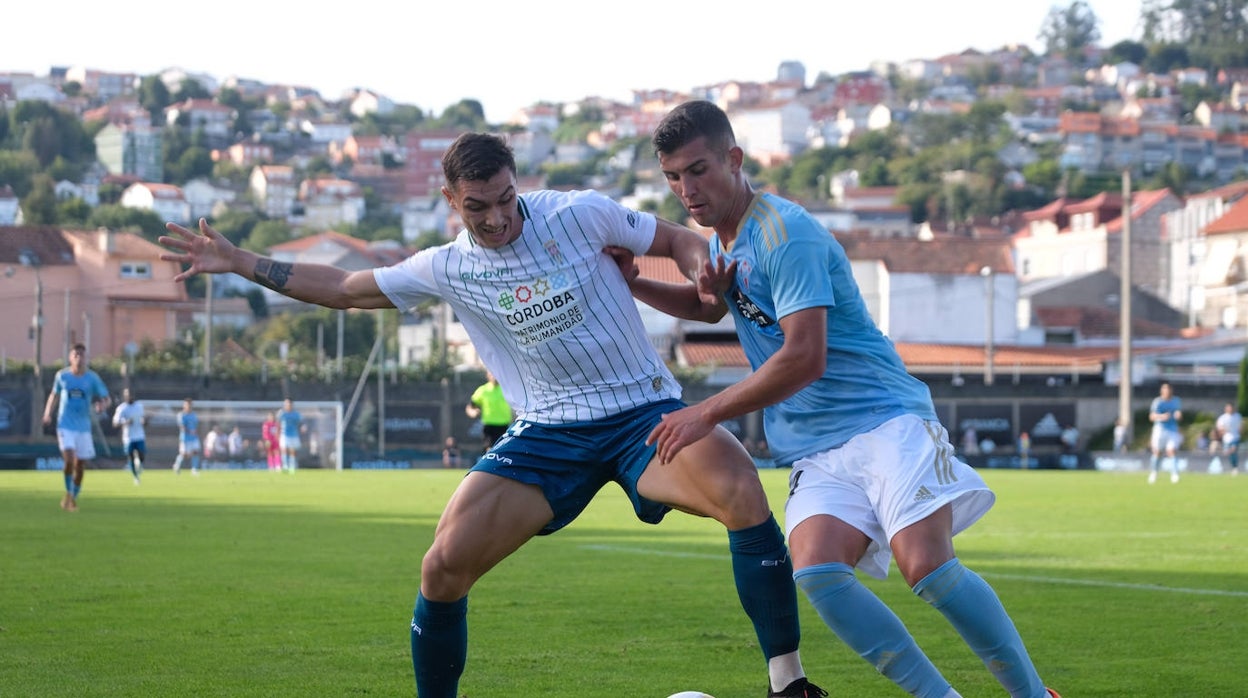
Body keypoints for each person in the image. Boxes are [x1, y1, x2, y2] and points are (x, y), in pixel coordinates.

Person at [160, 131, 824, 698]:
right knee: (442, 566)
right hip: (545, 436)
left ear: (518, 185)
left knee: (740, 489)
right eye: (479, 208)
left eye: (507, 200)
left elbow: (676, 238)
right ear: (452, 201)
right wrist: (239, 261)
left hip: (639, 414)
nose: (500, 219)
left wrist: (702, 270)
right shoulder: (446, 267)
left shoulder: (579, 214)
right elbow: (341, 287)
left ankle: (788, 683)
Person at [622, 100, 1057, 698]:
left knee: (926, 568)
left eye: (698, 170)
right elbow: (711, 307)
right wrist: (634, 282)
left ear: (734, 159)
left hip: (883, 420)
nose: (686, 189)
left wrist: (706, 412)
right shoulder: (724, 238)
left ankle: (1035, 696)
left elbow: (805, 356)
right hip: (816, 444)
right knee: (819, 571)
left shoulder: (786, 233)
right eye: (674, 177)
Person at [43, 343, 111, 511]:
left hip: (83, 427)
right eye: (76, 355)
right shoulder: (62, 376)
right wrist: (47, 413)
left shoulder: (92, 378)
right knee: (68, 459)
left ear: (85, 357)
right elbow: (54, 395)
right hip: (65, 425)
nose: (79, 359)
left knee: (80, 465)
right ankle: (68, 493)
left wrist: (102, 406)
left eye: (82, 355)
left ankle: (72, 497)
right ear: (70, 357)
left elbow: (106, 398)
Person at [465, 371, 512, 455]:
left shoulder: (507, 389)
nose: (494, 376)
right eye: (491, 374)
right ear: (488, 376)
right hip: (489, 427)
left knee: (504, 451)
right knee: (489, 450)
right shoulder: (482, 390)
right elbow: (470, 407)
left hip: (504, 426)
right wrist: (473, 412)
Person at [1148, 382, 1183, 484]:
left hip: (1172, 429)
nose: (1167, 391)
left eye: (1168, 389)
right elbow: (1151, 416)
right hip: (1160, 429)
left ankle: (1175, 474)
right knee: (1157, 452)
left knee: (1171, 451)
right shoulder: (1157, 402)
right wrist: (1161, 417)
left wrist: (1178, 415)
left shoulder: (1176, 401)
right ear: (1161, 390)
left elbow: (1179, 413)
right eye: (1164, 388)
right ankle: (1154, 472)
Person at [112, 387, 147, 485]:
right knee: (131, 456)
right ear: (124, 396)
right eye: (127, 394)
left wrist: (144, 421)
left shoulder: (139, 406)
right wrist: (125, 422)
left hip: (139, 435)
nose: (129, 396)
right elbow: (115, 423)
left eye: (131, 394)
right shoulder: (122, 408)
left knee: (142, 455)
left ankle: (139, 464)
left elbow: (143, 418)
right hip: (128, 437)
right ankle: (136, 477)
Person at [173, 398, 201, 475]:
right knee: (184, 454)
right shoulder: (181, 415)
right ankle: (177, 465)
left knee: (195, 452)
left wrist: (196, 432)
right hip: (185, 438)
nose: (189, 406)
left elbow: (196, 425)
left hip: (194, 437)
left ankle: (194, 469)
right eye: (187, 404)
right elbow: (182, 427)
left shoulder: (194, 415)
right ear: (184, 405)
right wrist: (190, 431)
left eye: (190, 404)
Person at [277, 398, 304, 472]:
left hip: (294, 435)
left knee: (292, 451)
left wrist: (303, 427)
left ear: (291, 404)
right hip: (284, 434)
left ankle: (292, 466)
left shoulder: (296, 414)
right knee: (284, 449)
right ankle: (285, 466)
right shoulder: (282, 413)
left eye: (288, 403)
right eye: (286, 404)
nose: (287, 405)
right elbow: (278, 424)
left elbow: (302, 423)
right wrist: (277, 434)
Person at [1215, 403, 1242, 476]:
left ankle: (1235, 468)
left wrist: (1240, 433)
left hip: (1235, 437)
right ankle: (1232, 467)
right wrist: (1223, 431)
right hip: (1226, 438)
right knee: (1228, 453)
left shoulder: (1237, 416)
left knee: (1233, 450)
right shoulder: (1222, 418)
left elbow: (1240, 427)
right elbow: (1219, 428)